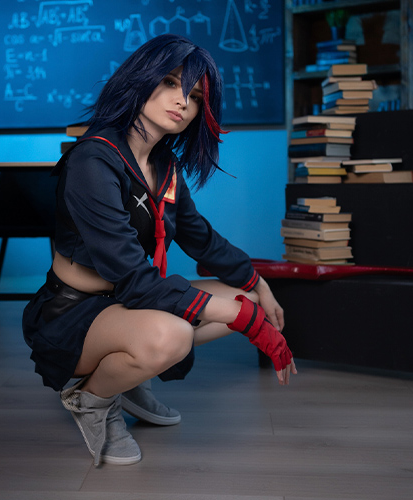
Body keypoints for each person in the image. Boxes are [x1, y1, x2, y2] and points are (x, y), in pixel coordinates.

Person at [22, 34, 296, 467]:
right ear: (140, 79)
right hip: (72, 313)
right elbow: (132, 275)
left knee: (241, 299)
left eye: (195, 95)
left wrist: (256, 284)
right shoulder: (93, 161)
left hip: (126, 302)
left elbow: (199, 237)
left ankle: (128, 377)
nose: (182, 101)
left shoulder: (165, 165)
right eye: (170, 82)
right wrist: (244, 319)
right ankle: (92, 399)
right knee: (176, 334)